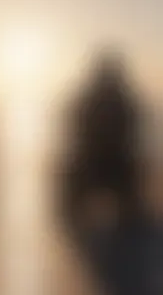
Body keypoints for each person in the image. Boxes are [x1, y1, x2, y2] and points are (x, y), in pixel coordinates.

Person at [60, 48, 145, 233]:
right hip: (112, 159)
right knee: (127, 173)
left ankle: (72, 211)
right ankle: (129, 215)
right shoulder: (122, 99)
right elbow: (132, 127)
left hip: (97, 159)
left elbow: (75, 124)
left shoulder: (89, 99)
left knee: (72, 174)